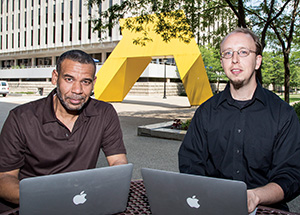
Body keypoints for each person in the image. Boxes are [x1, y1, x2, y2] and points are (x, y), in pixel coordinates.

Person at [178, 28, 300, 213]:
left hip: (266, 209)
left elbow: (291, 175)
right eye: (228, 53)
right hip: (212, 206)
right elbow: (190, 164)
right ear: (222, 62)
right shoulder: (206, 112)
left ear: (257, 61)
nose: (235, 59)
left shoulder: (283, 114)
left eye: (243, 52)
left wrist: (256, 196)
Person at [0, 50, 128, 212]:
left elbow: (118, 161)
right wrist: (47, 198)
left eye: (86, 82)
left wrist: (113, 185)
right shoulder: (21, 118)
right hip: (29, 205)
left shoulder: (105, 113)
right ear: (55, 77)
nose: (77, 90)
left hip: (79, 202)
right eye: (69, 79)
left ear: (93, 83)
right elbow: (4, 178)